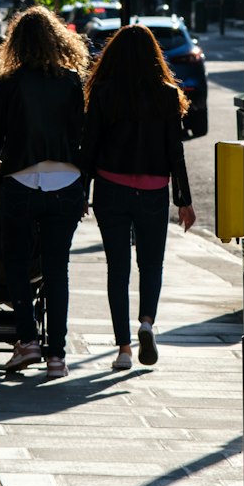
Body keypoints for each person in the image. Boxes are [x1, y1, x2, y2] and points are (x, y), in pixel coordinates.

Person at [79, 23, 196, 371]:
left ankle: (124, 349)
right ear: (154, 56)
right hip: (153, 189)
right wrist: (184, 200)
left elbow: (90, 146)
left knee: (118, 268)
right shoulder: (167, 93)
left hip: (111, 188)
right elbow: (175, 151)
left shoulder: (102, 90)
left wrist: (81, 191)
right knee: (151, 263)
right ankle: (146, 322)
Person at [0, 7, 88, 379]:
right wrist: (83, 182)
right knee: (58, 270)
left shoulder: (9, 82)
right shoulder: (73, 80)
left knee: (16, 263)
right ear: (57, 39)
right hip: (65, 182)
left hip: (21, 180)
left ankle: (27, 341)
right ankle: (57, 356)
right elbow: (82, 136)